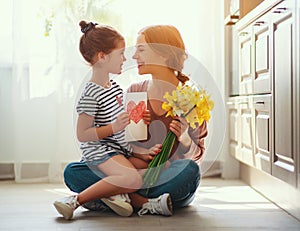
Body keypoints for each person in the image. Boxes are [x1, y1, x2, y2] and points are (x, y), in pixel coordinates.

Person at [62, 24, 208, 217]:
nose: (134, 56)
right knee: (73, 171)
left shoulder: (191, 97)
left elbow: (197, 154)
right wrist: (137, 140)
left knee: (189, 171)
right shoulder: (134, 92)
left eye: (141, 49)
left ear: (163, 53)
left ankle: (113, 195)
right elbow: (122, 144)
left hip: (167, 177)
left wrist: (185, 138)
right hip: (134, 168)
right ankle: (145, 202)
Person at [53, 21, 171, 220]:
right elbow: (82, 135)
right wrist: (114, 127)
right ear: (102, 56)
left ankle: (114, 192)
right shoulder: (91, 93)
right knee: (132, 178)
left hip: (117, 149)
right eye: (121, 54)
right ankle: (75, 201)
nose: (125, 58)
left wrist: (138, 124)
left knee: (160, 167)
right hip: (101, 151)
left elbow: (120, 126)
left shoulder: (115, 88)